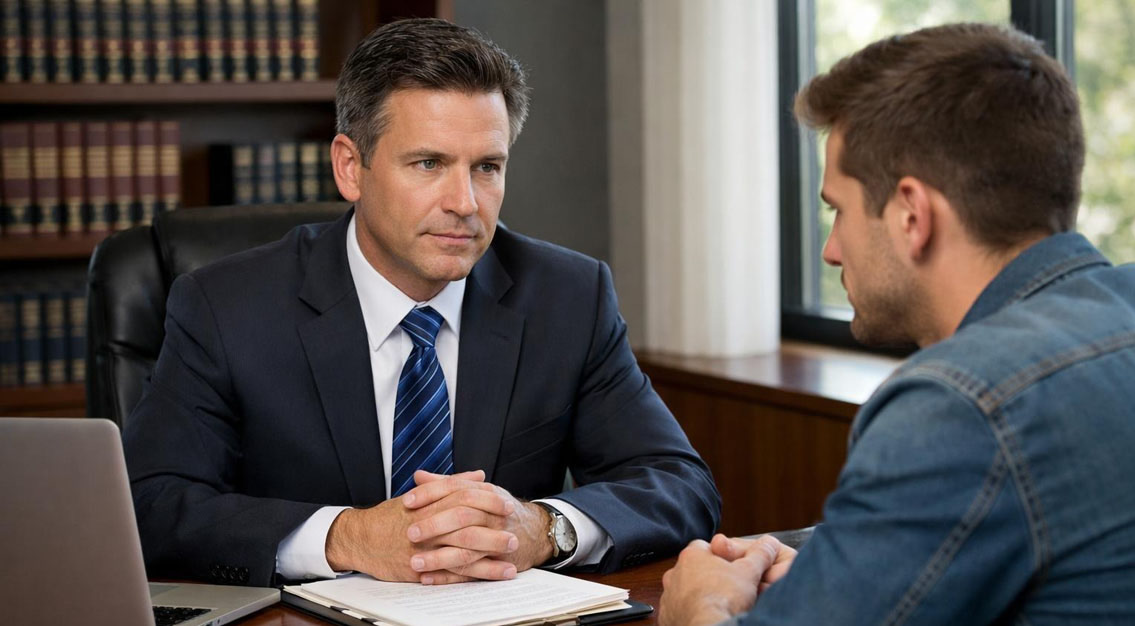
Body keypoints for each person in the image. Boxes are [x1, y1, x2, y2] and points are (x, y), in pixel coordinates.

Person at [123, 18, 720, 588]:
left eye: (487, 167)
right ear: (350, 168)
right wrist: (345, 537)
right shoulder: (226, 307)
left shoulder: (567, 297)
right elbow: (153, 505)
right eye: (429, 163)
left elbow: (679, 485)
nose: (464, 201)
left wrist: (543, 528)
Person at [659, 22, 1135, 625]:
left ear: (912, 214)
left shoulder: (956, 405)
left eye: (838, 210)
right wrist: (834, 560)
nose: (831, 250)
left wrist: (696, 607)